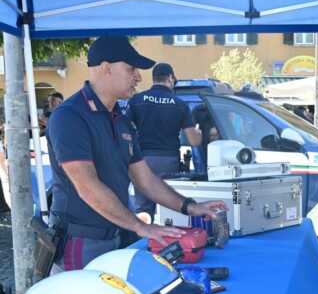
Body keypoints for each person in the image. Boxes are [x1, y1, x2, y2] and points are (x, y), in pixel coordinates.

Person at [46, 36, 225, 271]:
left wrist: (191, 207)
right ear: (106, 68)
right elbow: (87, 186)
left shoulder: (121, 120)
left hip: (119, 235)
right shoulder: (70, 117)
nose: (139, 77)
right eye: (131, 68)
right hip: (81, 243)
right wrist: (141, 227)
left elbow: (146, 180)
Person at [126, 63, 202, 223]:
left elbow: (124, 131)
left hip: (142, 161)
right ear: (170, 78)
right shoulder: (180, 104)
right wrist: (199, 134)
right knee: (167, 208)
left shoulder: (137, 100)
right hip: (168, 162)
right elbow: (194, 141)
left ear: (154, 79)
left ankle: (143, 236)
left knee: (143, 210)